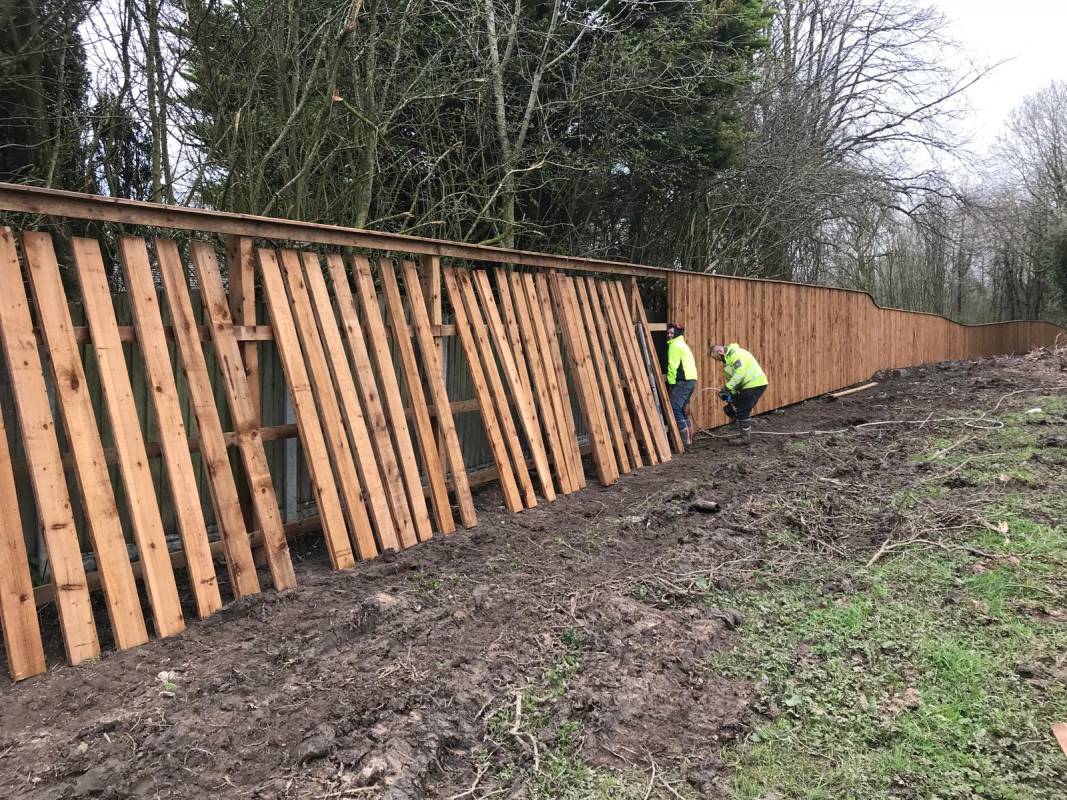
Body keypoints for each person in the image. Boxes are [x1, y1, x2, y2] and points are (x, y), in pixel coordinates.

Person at [711, 343, 767, 445]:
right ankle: (743, 433)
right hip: (749, 384)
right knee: (740, 405)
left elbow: (740, 373)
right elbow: (734, 381)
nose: (716, 360)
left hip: (754, 383)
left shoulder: (734, 355)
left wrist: (727, 387)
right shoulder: (727, 362)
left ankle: (745, 438)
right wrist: (730, 396)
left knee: (743, 410)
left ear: (720, 352)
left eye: (716, 357)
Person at [666, 322, 697, 446]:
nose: (669, 335)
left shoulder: (674, 345)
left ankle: (684, 441)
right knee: (681, 409)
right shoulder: (682, 344)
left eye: (671, 333)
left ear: (677, 334)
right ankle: (689, 438)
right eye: (668, 333)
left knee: (675, 408)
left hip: (683, 381)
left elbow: (672, 366)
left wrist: (671, 382)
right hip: (691, 380)